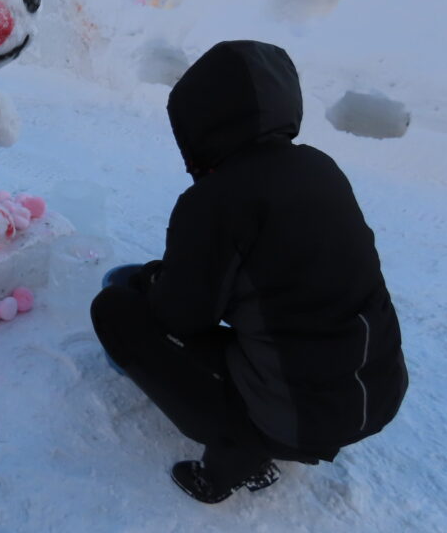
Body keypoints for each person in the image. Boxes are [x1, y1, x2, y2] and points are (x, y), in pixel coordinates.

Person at [90, 40, 408, 503]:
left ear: (204, 123)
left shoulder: (216, 201)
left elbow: (182, 317)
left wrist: (151, 283)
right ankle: (272, 427)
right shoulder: (320, 168)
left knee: (114, 310)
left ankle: (241, 449)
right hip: (376, 391)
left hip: (301, 415)